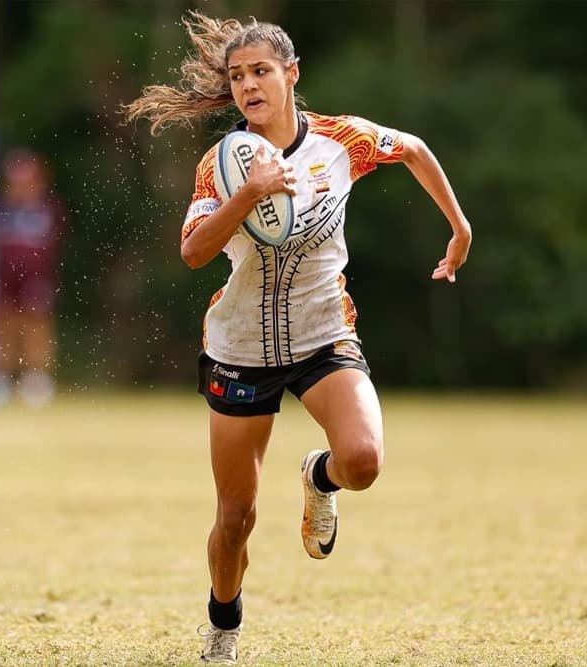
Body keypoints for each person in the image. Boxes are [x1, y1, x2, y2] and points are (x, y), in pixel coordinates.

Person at [124, 12, 471, 664]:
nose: (249, 85)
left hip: (322, 334)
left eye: (260, 71)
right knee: (235, 517)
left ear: (291, 74)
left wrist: (459, 227)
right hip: (240, 349)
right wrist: (249, 192)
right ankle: (224, 625)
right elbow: (194, 251)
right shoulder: (221, 163)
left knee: (364, 459)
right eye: (237, 76)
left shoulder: (342, 141)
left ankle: (321, 475)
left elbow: (415, 149)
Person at [0, 148, 66, 407]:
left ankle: (36, 379)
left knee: (36, 325)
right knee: (3, 324)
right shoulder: (0, 209)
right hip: (3, 276)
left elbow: (53, 245)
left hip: (36, 277)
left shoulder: (47, 209)